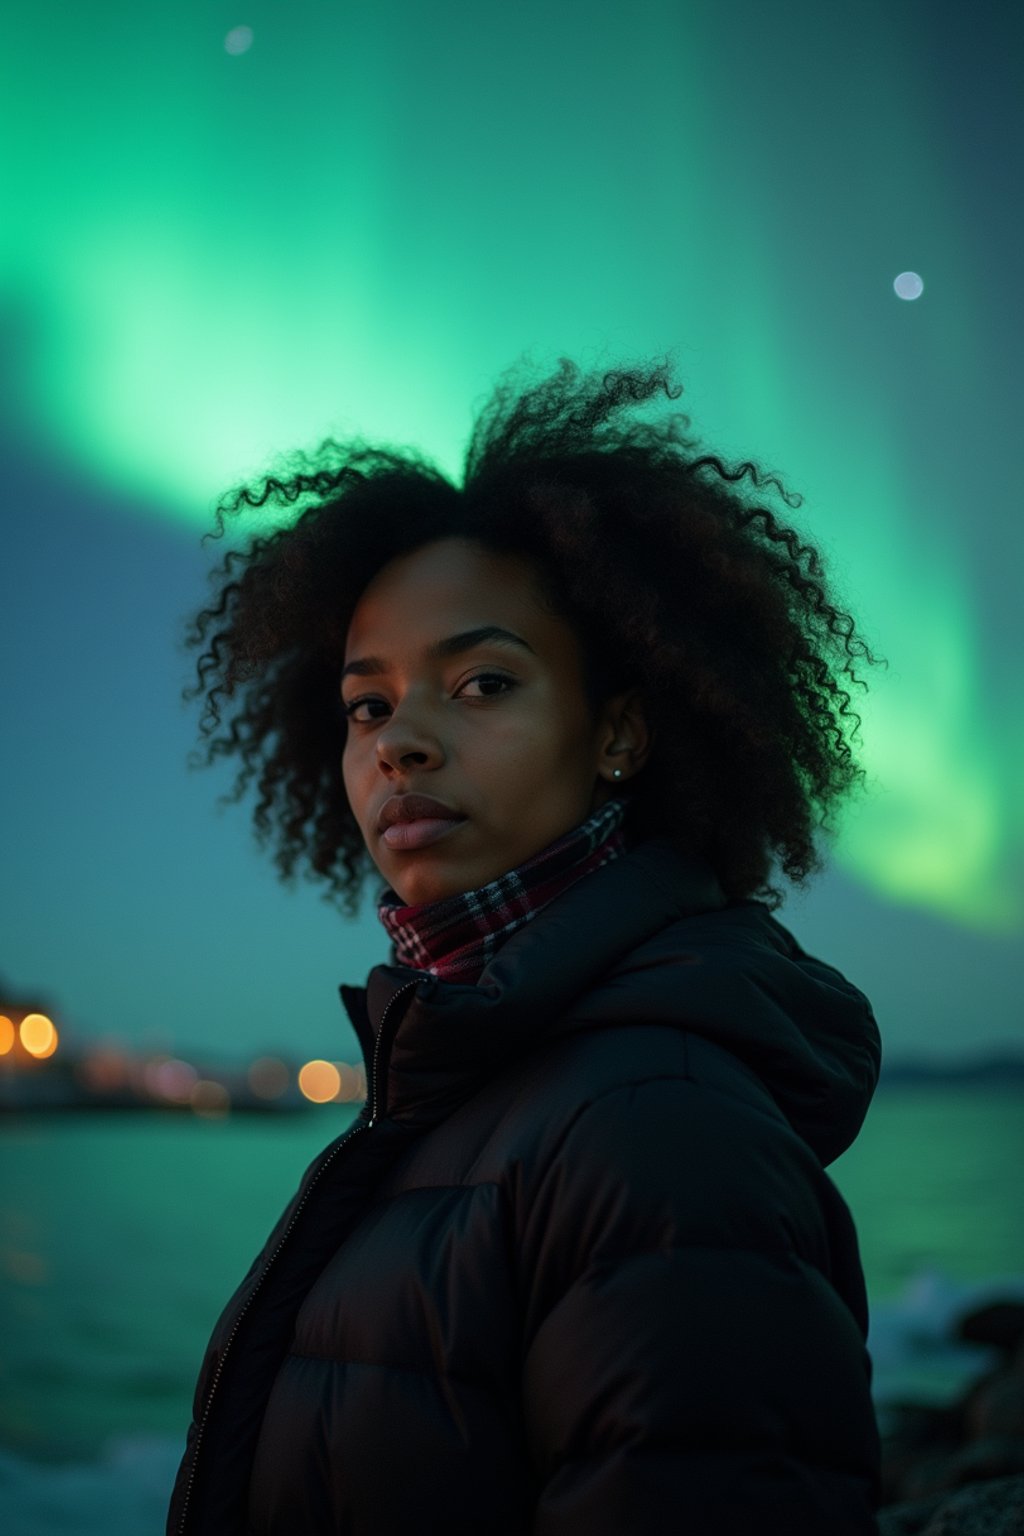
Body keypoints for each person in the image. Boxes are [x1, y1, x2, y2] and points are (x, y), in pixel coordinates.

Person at [168, 356, 886, 1534]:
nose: (399, 743)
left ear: (619, 728)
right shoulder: (464, 1076)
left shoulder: (659, 1127)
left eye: (482, 682)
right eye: (368, 703)